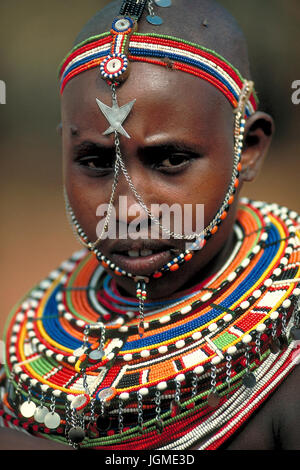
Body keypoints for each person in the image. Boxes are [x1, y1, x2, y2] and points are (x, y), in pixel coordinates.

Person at [1, 0, 300, 451]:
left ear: (250, 148)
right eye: (96, 162)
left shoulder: (288, 366)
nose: (127, 209)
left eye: (170, 160)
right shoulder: (37, 336)